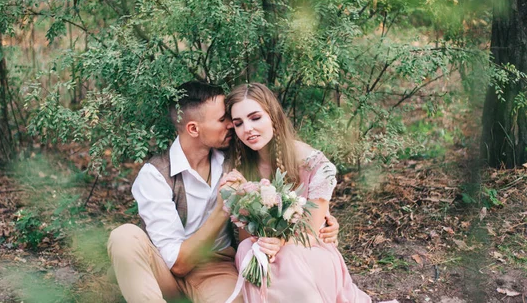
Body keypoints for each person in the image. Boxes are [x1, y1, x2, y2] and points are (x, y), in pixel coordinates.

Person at [107, 81, 341, 303]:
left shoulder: (236, 158)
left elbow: (284, 174)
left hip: (216, 270)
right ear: (193, 128)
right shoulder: (155, 175)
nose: (232, 125)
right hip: (164, 271)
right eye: (224, 119)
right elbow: (177, 265)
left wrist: (320, 220)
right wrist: (223, 205)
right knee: (124, 236)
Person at [223, 83, 371, 303]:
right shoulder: (241, 168)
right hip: (265, 252)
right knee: (247, 248)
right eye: (239, 123)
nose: (247, 129)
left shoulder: (315, 164)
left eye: (255, 118)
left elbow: (311, 232)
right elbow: (247, 234)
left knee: (288, 257)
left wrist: (280, 242)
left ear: (272, 116)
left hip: (308, 249)